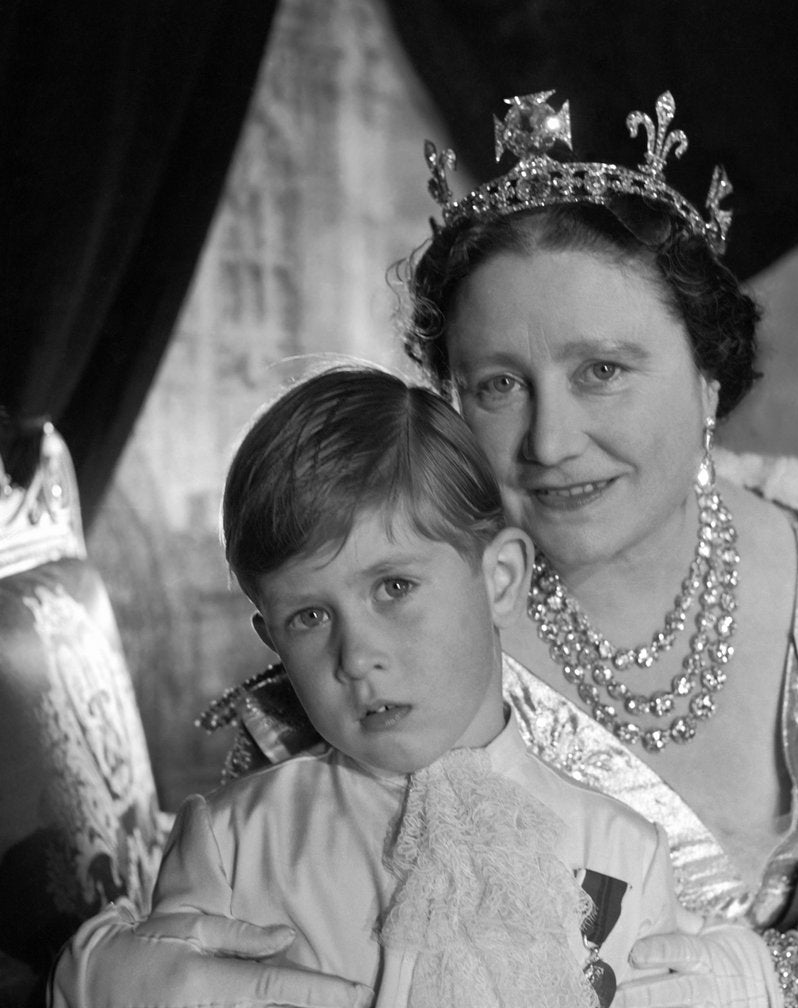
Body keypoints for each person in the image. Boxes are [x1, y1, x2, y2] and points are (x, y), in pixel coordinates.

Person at [52, 91, 798, 1008]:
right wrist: (90, 976)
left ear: (708, 373)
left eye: (601, 371)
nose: (550, 440)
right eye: (497, 386)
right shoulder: (390, 659)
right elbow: (253, 910)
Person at [51, 365, 701, 1008]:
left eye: (394, 587)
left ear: (500, 578)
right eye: (309, 617)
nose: (357, 656)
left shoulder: (625, 850)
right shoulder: (232, 842)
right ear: (271, 638)